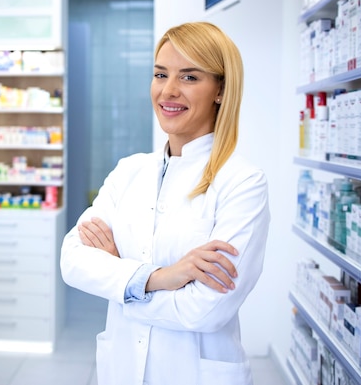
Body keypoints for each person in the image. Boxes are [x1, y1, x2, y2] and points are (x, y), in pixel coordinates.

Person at [60, 22, 270, 385]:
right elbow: (73, 261)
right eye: (160, 74)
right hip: (122, 368)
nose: (168, 91)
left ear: (220, 89)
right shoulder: (130, 171)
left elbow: (205, 311)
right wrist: (163, 278)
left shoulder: (242, 182)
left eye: (189, 77)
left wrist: (119, 278)